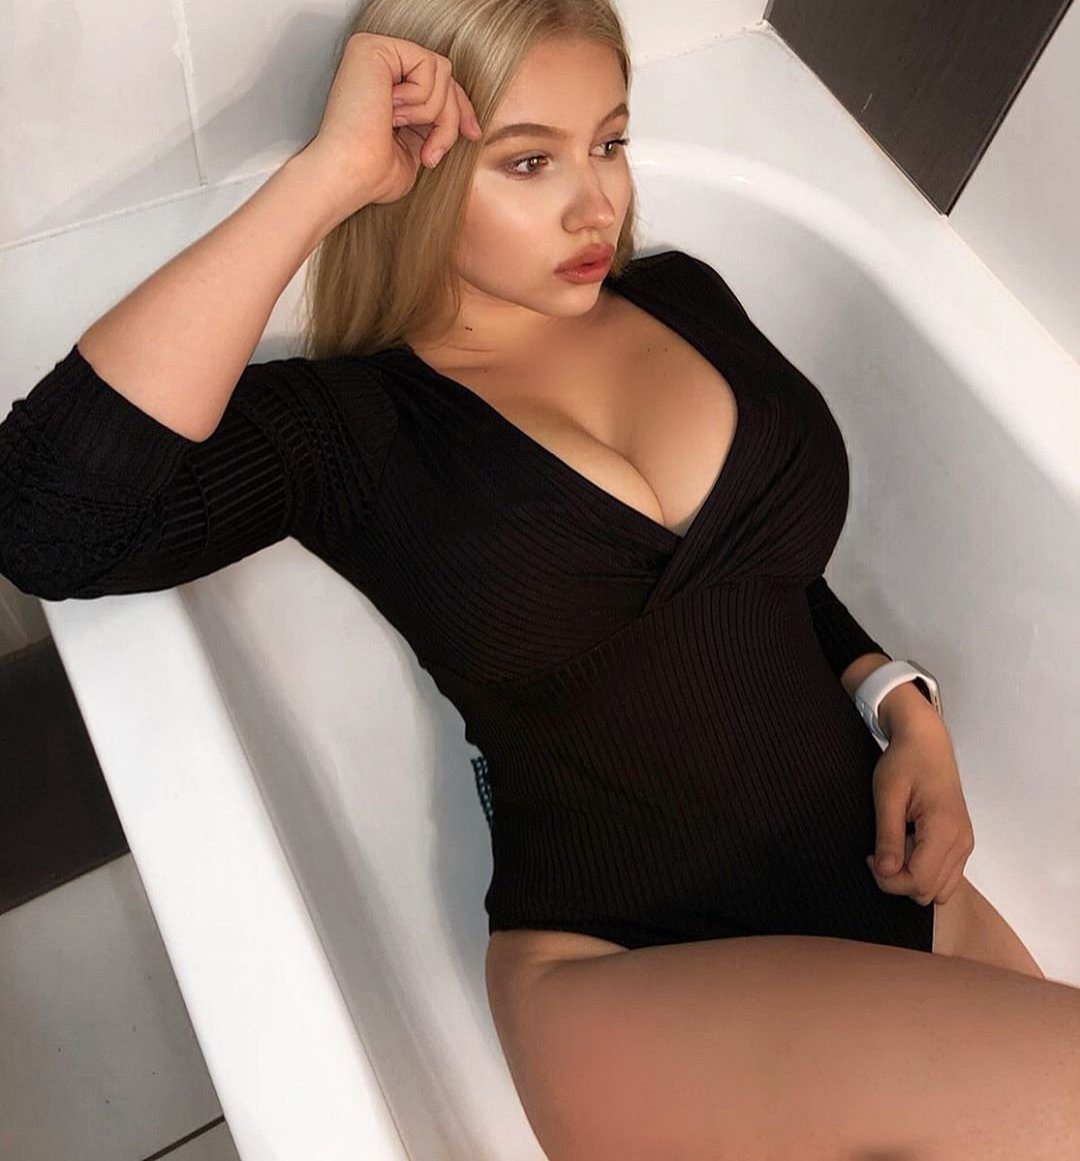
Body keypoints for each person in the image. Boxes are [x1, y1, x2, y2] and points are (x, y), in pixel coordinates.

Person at [1, 3, 1077, 1156]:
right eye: (528, 161)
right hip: (629, 968)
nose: (596, 206)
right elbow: (46, 529)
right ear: (416, 168)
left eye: (609, 142)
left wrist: (899, 703)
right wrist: (325, 180)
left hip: (892, 893)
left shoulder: (683, 297)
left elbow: (763, 578)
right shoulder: (354, 427)